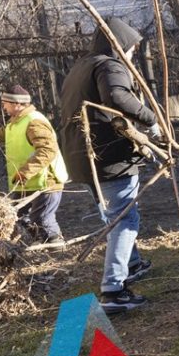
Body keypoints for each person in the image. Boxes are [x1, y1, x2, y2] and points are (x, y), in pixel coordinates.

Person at [60, 17, 159, 313]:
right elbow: (117, 97)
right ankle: (114, 289)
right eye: (131, 50)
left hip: (82, 157)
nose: (131, 57)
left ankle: (133, 262)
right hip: (109, 157)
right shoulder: (109, 65)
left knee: (114, 215)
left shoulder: (81, 66)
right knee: (125, 218)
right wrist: (151, 120)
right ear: (121, 46)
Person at [0, 84, 69, 248]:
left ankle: (57, 248)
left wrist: (25, 172)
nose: (3, 107)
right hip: (27, 182)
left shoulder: (34, 122)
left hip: (46, 181)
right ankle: (41, 244)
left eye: (5, 103)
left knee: (42, 218)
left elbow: (48, 150)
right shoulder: (14, 124)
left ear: (16, 104)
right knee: (20, 217)